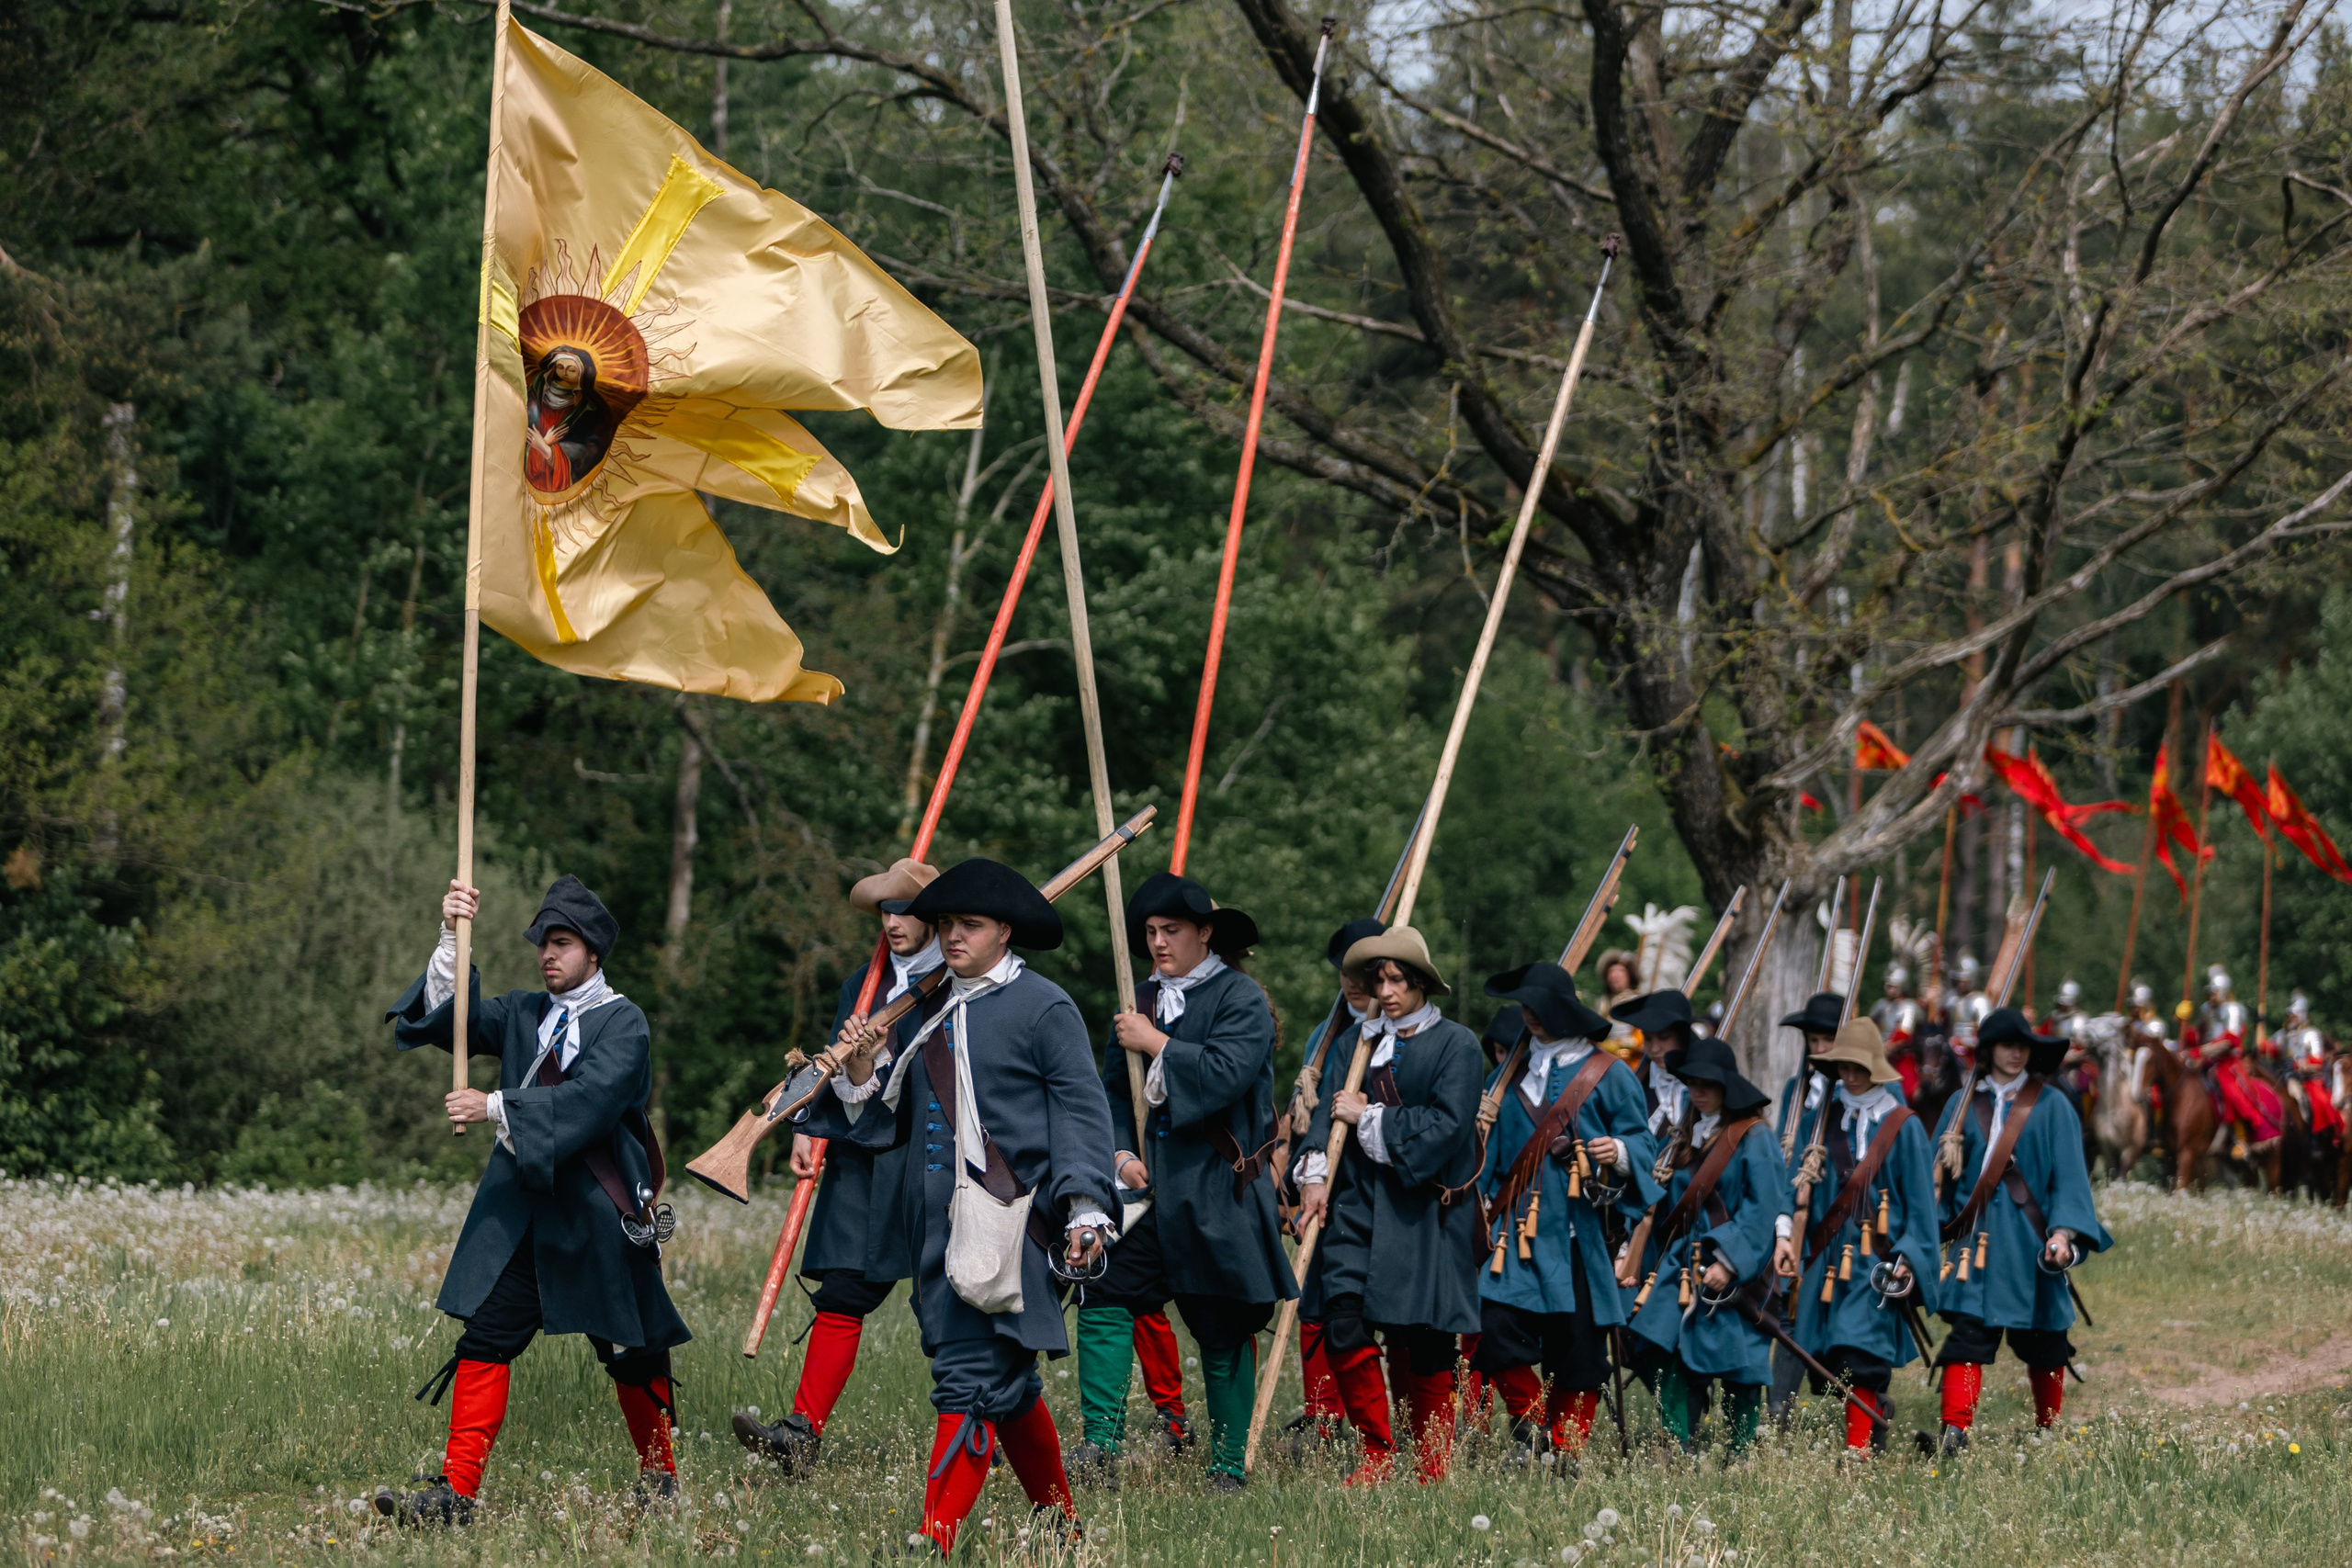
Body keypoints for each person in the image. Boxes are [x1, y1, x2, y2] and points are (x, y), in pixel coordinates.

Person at [795, 859, 1118, 1553]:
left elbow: (1082, 1115)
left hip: (1016, 1228)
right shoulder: (929, 1009)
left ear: (1005, 930)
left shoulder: (1045, 1005)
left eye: (968, 924)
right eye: (945, 924)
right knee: (1009, 1385)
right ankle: (1064, 1531)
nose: (952, 935)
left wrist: (1088, 1207)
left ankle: (932, 1541)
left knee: (968, 1382)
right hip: (937, 1236)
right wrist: (859, 1069)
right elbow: (889, 1120)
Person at [376, 875, 688, 1525]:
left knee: (632, 1351)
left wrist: (493, 1105)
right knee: (486, 1337)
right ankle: (456, 1495)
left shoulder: (624, 1021)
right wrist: (451, 935)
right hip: (526, 1215)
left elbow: (593, 1101)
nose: (549, 953)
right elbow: (450, 1018)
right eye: (543, 942)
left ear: (593, 953)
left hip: (600, 1214)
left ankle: (660, 1478)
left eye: (563, 942)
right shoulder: (522, 1012)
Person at [1075, 873, 1295, 1493]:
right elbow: (1114, 1092)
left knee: (1223, 1327)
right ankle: (1101, 1445)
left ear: (1205, 932)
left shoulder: (1240, 998)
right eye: (1149, 931)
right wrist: (1121, 1154)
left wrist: (1158, 1042)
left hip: (1217, 1194)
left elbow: (1227, 1075)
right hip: (1152, 1199)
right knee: (1105, 1289)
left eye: (1171, 930)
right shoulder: (1136, 995)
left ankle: (1227, 1465)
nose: (1158, 942)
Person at [733, 858, 944, 1474]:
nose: (893, 921)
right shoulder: (865, 979)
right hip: (863, 1156)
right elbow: (842, 1078)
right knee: (843, 1293)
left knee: (950, 1306)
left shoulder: (955, 981)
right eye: (885, 909)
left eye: (904, 908)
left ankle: (984, 1426)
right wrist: (812, 1125)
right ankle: (801, 1433)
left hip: (931, 1158)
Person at [1294, 926, 1482, 1484]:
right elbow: (1323, 1120)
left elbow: (1448, 1128)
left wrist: (1369, 1116)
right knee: (1342, 1323)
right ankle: (1377, 1453)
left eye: (1398, 978)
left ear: (1421, 982)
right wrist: (1314, 1174)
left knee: (1426, 1342)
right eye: (1380, 978)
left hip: (1424, 1213)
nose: (1388, 989)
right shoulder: (1357, 1045)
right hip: (1355, 1206)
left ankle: (1431, 1465)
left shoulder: (1457, 1044)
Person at [1474, 964, 1661, 1462]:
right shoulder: (1504, 1076)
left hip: (1581, 1231)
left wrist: (1617, 1151)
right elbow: (1487, 1161)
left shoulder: (1609, 1073)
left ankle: (1565, 1450)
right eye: (1524, 1006)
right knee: (1492, 1332)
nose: (1529, 1015)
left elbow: (1643, 1143)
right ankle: (1534, 1426)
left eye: (1538, 1005)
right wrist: (1482, 1220)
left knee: (1577, 1353)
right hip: (1516, 1233)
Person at [1927, 1007, 2111, 1453]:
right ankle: (1955, 1433)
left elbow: (2069, 1179)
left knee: (2047, 1341)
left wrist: (2063, 1236)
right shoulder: (1959, 1105)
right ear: (1987, 1051)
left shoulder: (2052, 1106)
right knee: (1966, 1338)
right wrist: (1926, 1237)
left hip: (2033, 1245)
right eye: (2006, 1044)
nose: (2015, 1053)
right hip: (1976, 1247)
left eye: (2021, 1045)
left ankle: (2048, 1431)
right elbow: (1934, 1183)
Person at [1621, 1036, 1789, 1457]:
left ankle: (1740, 1451)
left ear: (1727, 1087)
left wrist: (1729, 1262)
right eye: (1692, 1081)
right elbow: (1660, 1209)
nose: (1698, 1089)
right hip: (1680, 1266)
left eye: (1708, 1082)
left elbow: (1763, 1205)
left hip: (1740, 1270)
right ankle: (1678, 1443)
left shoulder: (1755, 1137)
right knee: (1651, 1342)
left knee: (1740, 1364)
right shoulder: (1681, 1141)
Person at [1781, 1020, 1939, 1453]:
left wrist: (1909, 1257)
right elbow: (1793, 1188)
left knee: (1861, 1352)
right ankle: (1874, 1412)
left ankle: (1857, 1454)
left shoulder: (1903, 1125)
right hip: (1825, 1260)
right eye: (1843, 1066)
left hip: (1878, 1261)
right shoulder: (1819, 1122)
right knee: (1828, 1364)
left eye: (1858, 1066)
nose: (1850, 1075)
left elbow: (1922, 1205)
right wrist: (1787, 1233)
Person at [1280, 916, 1384, 1453]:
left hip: (1383, 1189)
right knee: (1317, 1300)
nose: (1352, 983)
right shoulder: (1325, 1036)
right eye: (1345, 971)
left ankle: (1400, 1424)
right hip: (1325, 1186)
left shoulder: (1400, 1028)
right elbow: (1306, 1118)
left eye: (1364, 971)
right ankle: (1323, 1419)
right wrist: (1306, 1175)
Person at [2194, 968, 2283, 1158]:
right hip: (2206, 1061)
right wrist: (2183, 1023)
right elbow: (2198, 1034)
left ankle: (2240, 1139)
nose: (2211, 996)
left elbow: (2230, 1041)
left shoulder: (2233, 1009)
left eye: (2214, 992)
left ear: (2223, 991)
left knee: (2233, 1093)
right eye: (2209, 992)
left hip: (2228, 1063)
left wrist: (2202, 1050)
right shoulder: (2205, 1010)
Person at [1872, 964, 1928, 1100]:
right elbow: (1871, 1026)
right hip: (1879, 1054)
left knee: (1910, 1092)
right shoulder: (1881, 1005)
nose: (1888, 989)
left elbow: (1904, 1033)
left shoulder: (1908, 1007)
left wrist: (1889, 1046)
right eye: (1888, 985)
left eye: (1893, 986)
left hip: (1901, 1056)